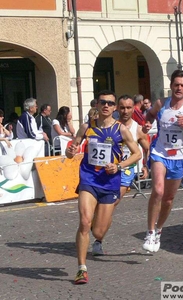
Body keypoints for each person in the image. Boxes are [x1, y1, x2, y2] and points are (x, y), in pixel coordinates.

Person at [66, 90, 142, 284]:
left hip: (109, 182)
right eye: (103, 102)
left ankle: (97, 229)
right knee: (84, 221)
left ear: (114, 107)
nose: (106, 106)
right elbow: (71, 151)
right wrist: (70, 151)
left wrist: (118, 166)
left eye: (110, 103)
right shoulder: (86, 127)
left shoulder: (121, 130)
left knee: (98, 232)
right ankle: (81, 268)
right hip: (89, 179)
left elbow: (136, 154)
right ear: (97, 105)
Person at [141, 70, 183, 252]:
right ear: (171, 86)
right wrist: (147, 124)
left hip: (179, 157)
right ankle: (150, 231)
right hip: (159, 153)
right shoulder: (161, 103)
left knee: (168, 199)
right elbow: (151, 115)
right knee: (158, 191)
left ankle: (159, 229)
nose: (179, 88)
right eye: (176, 84)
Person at [91, 94, 150, 256]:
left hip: (126, 171)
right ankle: (97, 226)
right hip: (105, 169)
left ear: (133, 109)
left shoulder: (137, 129)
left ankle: (98, 240)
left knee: (112, 204)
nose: (125, 111)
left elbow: (146, 148)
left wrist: (145, 166)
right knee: (99, 206)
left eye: (129, 107)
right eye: (122, 107)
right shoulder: (110, 125)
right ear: (117, 108)